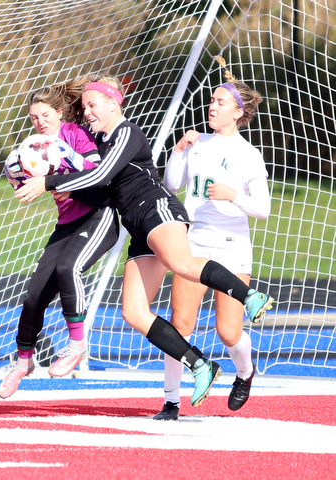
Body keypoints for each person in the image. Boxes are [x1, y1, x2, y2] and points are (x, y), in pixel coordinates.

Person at [14, 74, 274, 408]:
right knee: (134, 312)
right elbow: (82, 159)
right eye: (85, 106)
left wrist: (47, 181)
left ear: (114, 102)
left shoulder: (127, 132)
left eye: (93, 104)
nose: (87, 111)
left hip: (156, 210)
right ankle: (200, 365)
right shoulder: (98, 138)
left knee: (187, 270)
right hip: (137, 224)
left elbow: (102, 175)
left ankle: (250, 296)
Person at [153, 56, 271, 420]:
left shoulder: (248, 155)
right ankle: (171, 401)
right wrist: (178, 151)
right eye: (211, 100)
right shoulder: (198, 142)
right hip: (194, 242)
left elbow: (263, 208)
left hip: (232, 247)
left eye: (220, 102)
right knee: (180, 324)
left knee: (228, 331)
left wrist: (233, 195)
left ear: (237, 112)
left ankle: (245, 372)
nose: (212, 106)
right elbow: (173, 184)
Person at [0, 78, 119, 399]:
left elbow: (96, 171)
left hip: (98, 215)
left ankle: (77, 346)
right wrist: (15, 172)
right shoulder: (33, 144)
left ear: (61, 112)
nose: (40, 123)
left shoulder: (74, 135)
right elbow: (22, 180)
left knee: (68, 268)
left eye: (45, 116)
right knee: (33, 296)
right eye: (34, 118)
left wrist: (61, 160)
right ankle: (23, 362)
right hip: (66, 223)